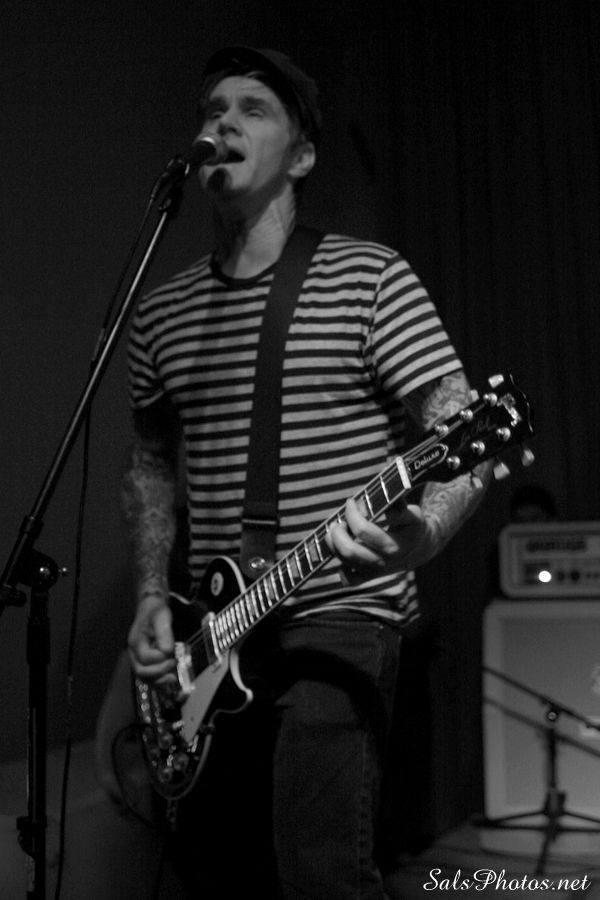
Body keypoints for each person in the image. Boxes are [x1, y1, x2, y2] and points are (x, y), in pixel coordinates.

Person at [122, 46, 491, 899]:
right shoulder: (161, 312)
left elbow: (461, 436)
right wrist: (148, 595)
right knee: (220, 876)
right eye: (213, 109)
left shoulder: (371, 277)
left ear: (303, 155)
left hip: (341, 608)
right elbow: (149, 467)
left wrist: (421, 537)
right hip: (214, 628)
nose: (223, 122)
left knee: (321, 872)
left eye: (252, 109)